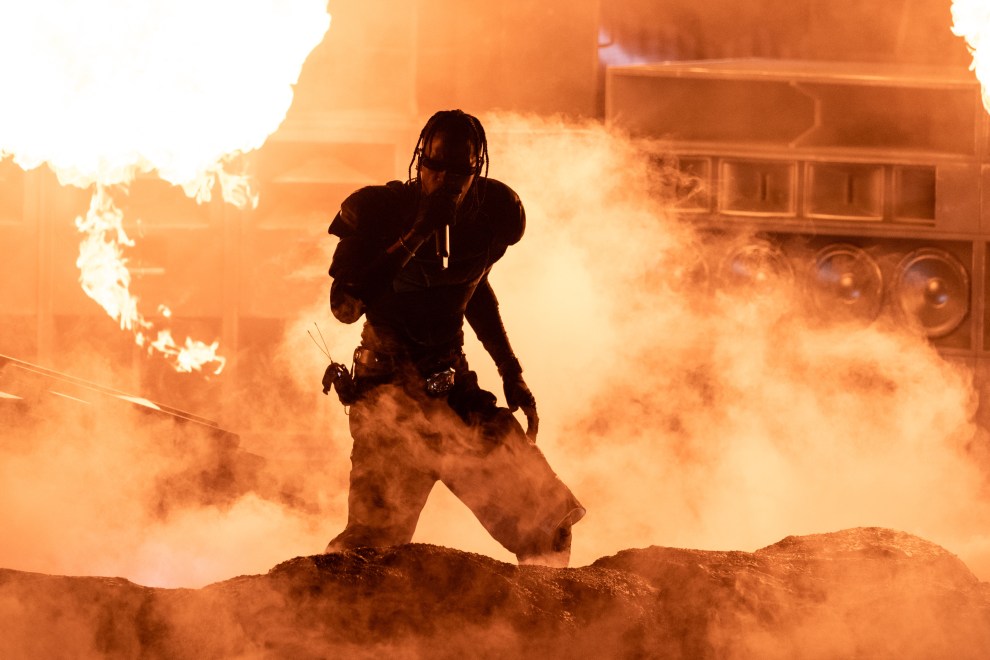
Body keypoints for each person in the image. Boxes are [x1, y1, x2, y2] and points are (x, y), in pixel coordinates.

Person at [323, 109, 585, 567]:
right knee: (369, 554)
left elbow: (472, 287)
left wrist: (512, 371)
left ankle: (543, 631)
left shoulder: (495, 215)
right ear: (419, 161)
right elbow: (345, 307)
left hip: (454, 391)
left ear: (477, 168)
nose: (448, 179)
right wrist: (419, 230)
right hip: (388, 396)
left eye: (461, 169)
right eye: (436, 166)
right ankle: (335, 631)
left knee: (546, 522)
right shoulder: (378, 212)